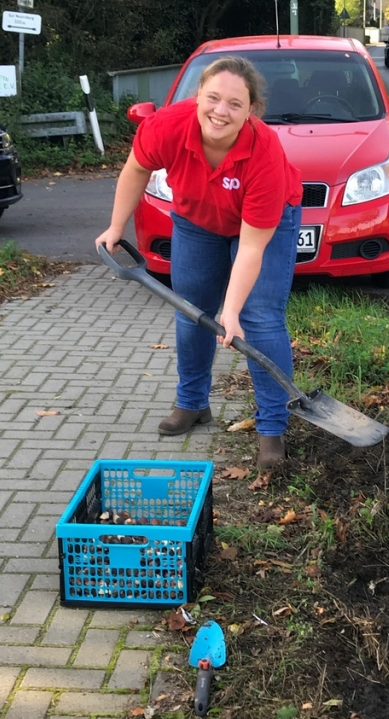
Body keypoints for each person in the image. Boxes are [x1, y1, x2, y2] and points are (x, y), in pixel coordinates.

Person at [95, 55, 303, 469]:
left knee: (260, 318)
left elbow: (249, 248)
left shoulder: (263, 153)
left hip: (268, 223)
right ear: (198, 97)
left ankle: (272, 430)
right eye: (212, 98)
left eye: (234, 104)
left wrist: (232, 311)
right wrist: (116, 226)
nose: (220, 111)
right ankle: (192, 404)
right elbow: (136, 169)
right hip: (195, 221)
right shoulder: (168, 127)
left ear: (251, 111)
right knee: (191, 312)